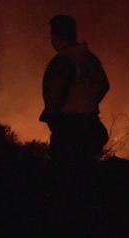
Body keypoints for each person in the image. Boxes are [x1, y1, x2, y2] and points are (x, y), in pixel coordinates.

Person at [40, 14, 109, 169]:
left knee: (67, 176)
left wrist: (54, 119)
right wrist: (89, 103)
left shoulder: (63, 60)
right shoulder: (90, 58)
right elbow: (104, 85)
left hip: (69, 130)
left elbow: (54, 95)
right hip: (91, 125)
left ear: (55, 36)